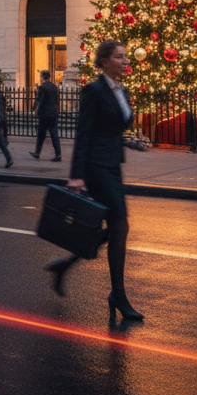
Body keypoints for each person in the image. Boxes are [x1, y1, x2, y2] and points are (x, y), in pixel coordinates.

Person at [46, 39, 143, 324]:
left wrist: (131, 142)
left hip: (113, 165)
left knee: (114, 229)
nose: (126, 61)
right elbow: (85, 133)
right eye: (119, 57)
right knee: (120, 226)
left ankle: (65, 264)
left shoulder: (120, 89)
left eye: (126, 56)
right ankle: (118, 294)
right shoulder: (94, 90)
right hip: (96, 168)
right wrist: (76, 175)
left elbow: (111, 128)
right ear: (104, 62)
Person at [30, 69, 61, 161]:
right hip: (53, 113)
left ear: (43, 77)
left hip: (44, 114)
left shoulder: (42, 87)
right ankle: (58, 154)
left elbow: (39, 100)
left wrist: (35, 109)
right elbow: (57, 100)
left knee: (41, 134)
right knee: (54, 133)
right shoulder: (54, 87)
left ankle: (37, 152)